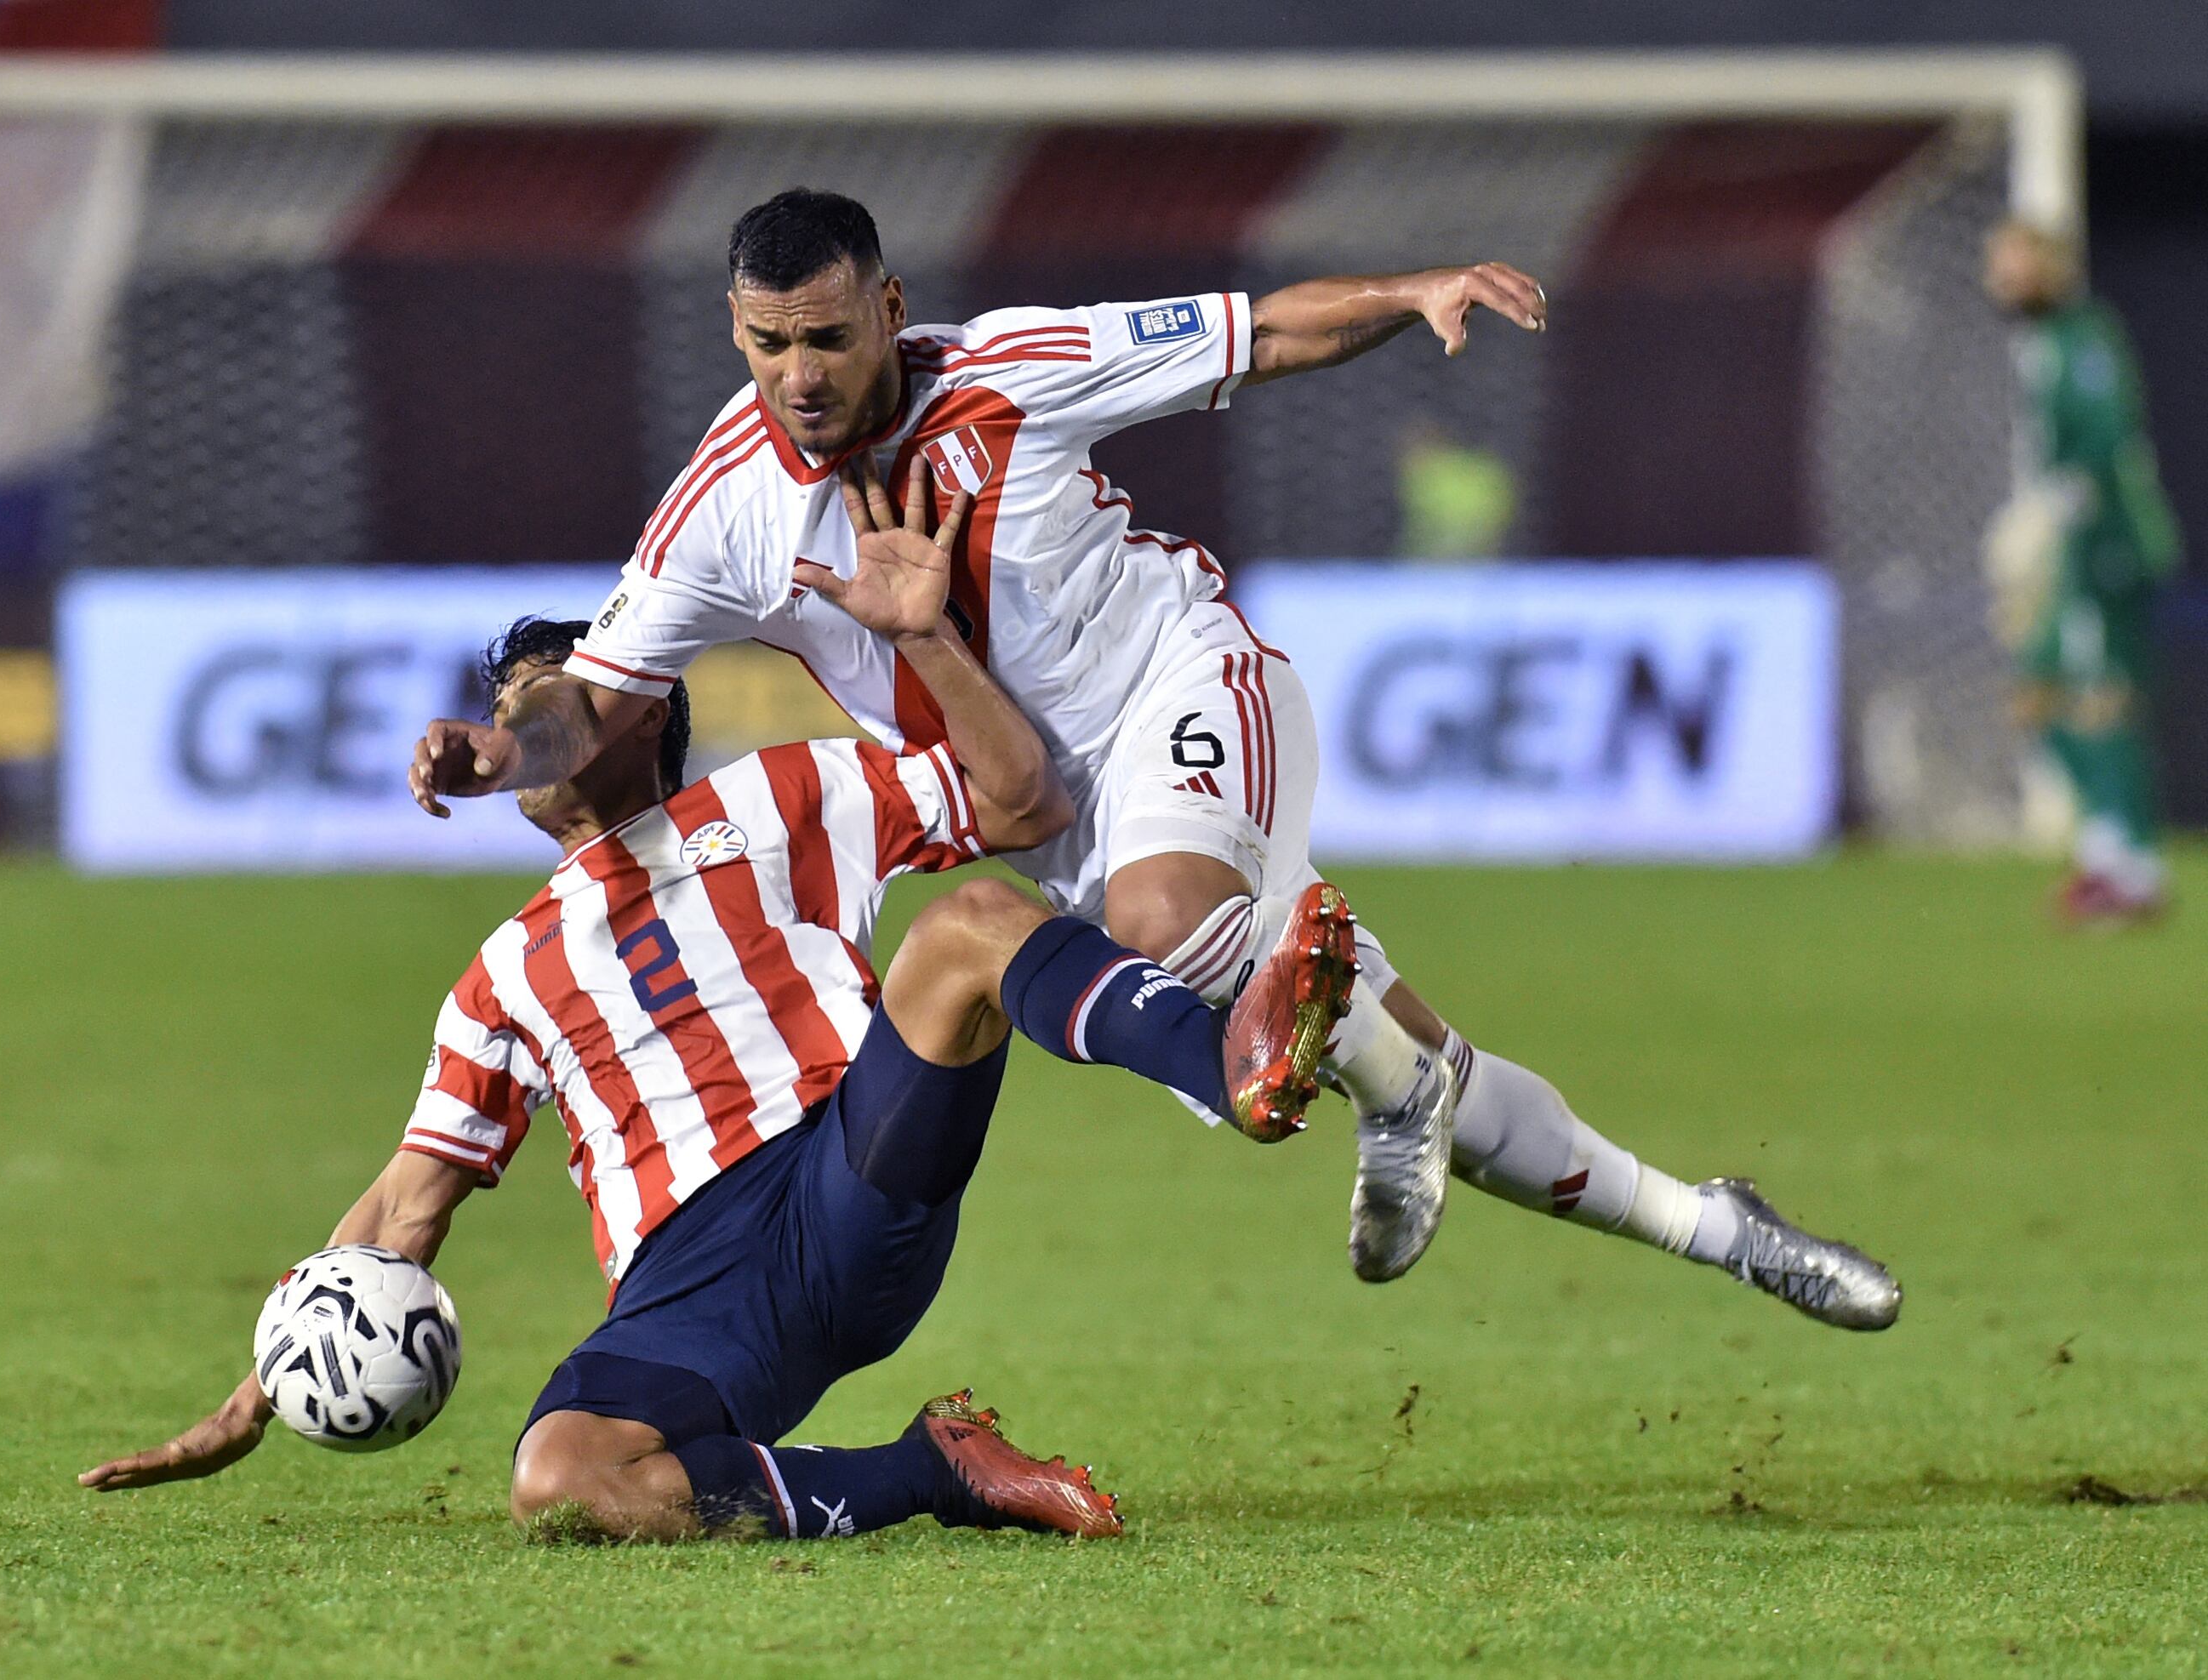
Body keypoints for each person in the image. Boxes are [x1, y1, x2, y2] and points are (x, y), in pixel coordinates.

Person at [407, 188, 1900, 1328]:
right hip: (1059, 826)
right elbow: (591, 702)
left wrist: (1413, 288)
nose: (797, 374)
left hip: (1187, 685)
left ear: (887, 310)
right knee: (1342, 1042)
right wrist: (494, 749)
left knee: (1165, 932)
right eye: (766, 342)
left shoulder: (1011, 372)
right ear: (737, 333)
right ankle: (1715, 1226)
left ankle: (1397, 1099)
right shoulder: (720, 510)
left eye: (825, 336)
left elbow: (1257, 333)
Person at [80, 469, 1363, 1540]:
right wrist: (259, 1388)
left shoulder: (787, 795)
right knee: (562, 1479)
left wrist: (926, 637)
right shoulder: (499, 976)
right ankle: (931, 1468)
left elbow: (1024, 804)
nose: (528, 726)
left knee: (969, 924)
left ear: (644, 712)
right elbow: (405, 1207)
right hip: (694, 1296)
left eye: (560, 699)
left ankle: (1230, 1065)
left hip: (845, 1174)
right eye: (514, 709)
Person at [1983, 218, 2182, 926]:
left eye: (2010, 263)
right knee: (2037, 693)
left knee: (2102, 699)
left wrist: (2048, 511)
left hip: (2108, 544)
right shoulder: (2040, 345)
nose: (1997, 279)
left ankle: (2128, 867)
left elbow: (2106, 435)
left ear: (2047, 268)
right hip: (2073, 548)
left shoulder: (2084, 337)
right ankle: (2109, 850)